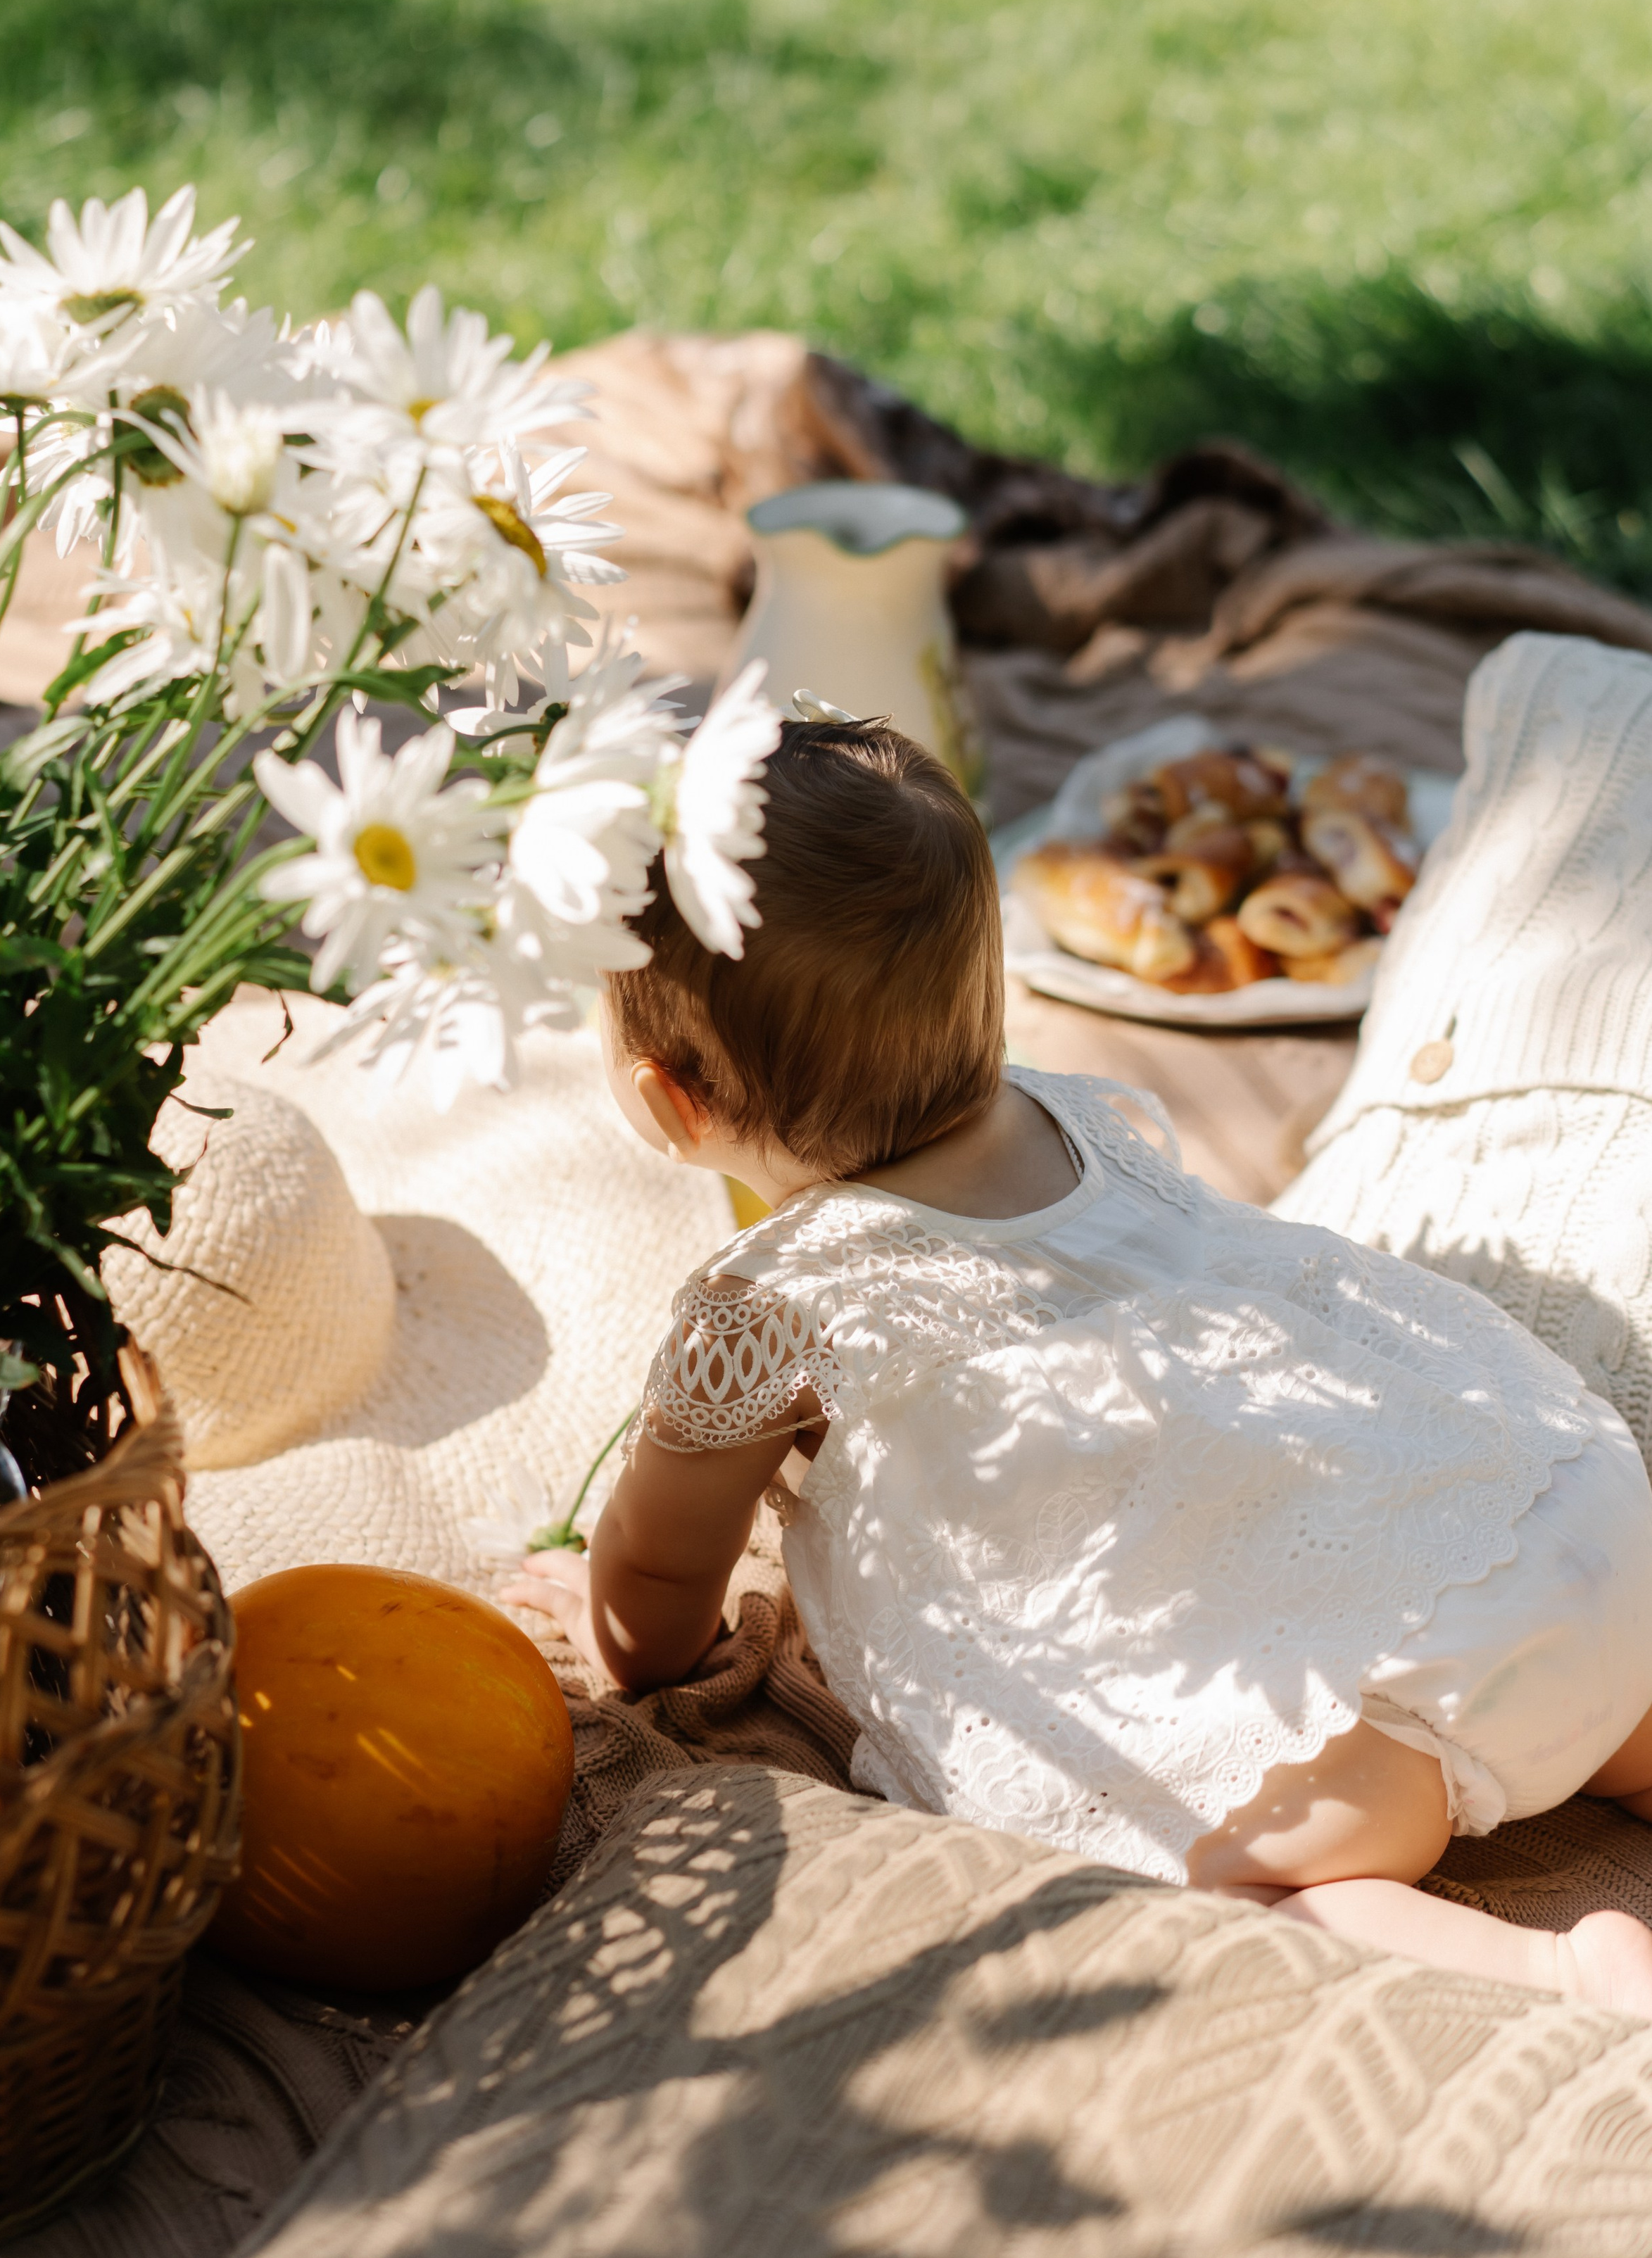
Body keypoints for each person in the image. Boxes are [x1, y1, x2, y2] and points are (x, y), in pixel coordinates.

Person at [508, 717, 1652, 2014]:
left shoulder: (767, 1308)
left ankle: (1570, 1971)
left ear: (668, 1099)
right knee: (1593, 1688)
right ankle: (1618, 1741)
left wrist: (630, 1642)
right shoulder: (1079, 1117)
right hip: (1563, 1516)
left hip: (1390, 1707)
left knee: (1223, 1886)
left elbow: (657, 1584)